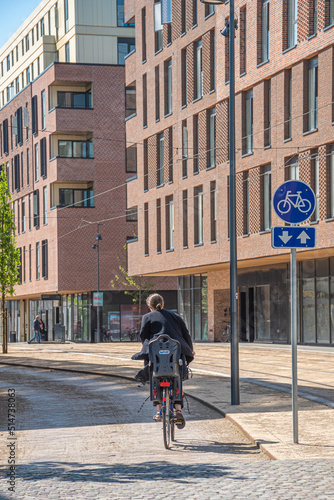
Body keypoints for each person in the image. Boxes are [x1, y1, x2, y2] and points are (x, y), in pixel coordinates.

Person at [132, 293, 195, 429]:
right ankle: (178, 410)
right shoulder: (175, 316)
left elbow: (143, 335)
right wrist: (190, 350)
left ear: (149, 307)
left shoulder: (147, 317)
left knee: (153, 374)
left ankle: (159, 410)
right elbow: (186, 334)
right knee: (176, 377)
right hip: (175, 355)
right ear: (163, 303)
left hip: (156, 357)